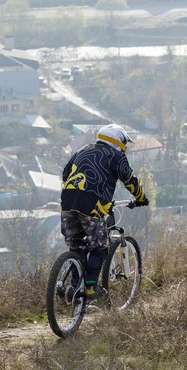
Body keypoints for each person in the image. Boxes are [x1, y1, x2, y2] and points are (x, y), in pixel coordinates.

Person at [60, 124, 149, 299]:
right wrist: (141, 198)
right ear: (118, 141)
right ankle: (92, 287)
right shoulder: (116, 156)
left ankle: (76, 287)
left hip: (67, 202)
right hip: (91, 204)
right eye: (124, 142)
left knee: (76, 246)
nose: (125, 147)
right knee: (100, 246)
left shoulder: (83, 150)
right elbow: (130, 180)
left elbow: (65, 175)